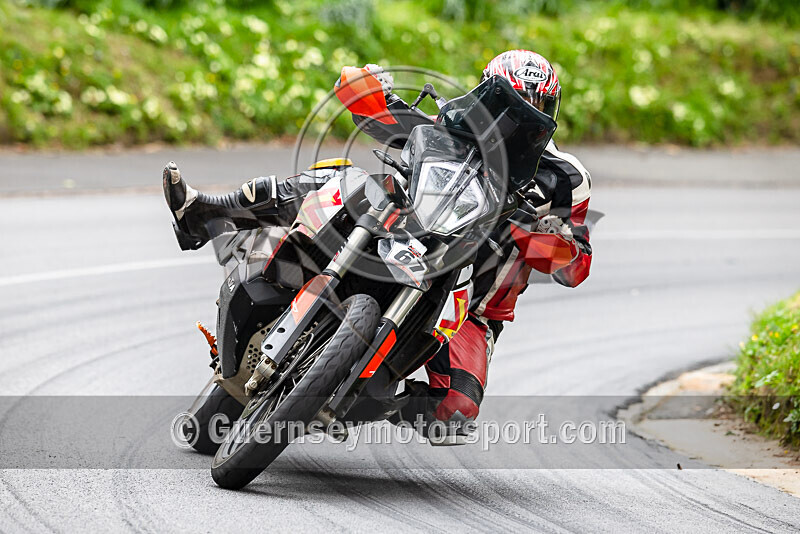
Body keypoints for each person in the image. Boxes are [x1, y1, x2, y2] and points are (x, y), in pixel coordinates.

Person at [163, 49, 592, 441]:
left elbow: (577, 265)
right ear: (484, 90)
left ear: (547, 116)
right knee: (342, 179)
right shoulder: (451, 121)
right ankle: (206, 213)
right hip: (396, 223)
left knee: (456, 411)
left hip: (472, 303)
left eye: (531, 112)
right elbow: (378, 115)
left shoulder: (566, 177)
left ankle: (376, 399)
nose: (512, 121)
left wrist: (545, 239)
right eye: (502, 103)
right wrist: (366, 89)